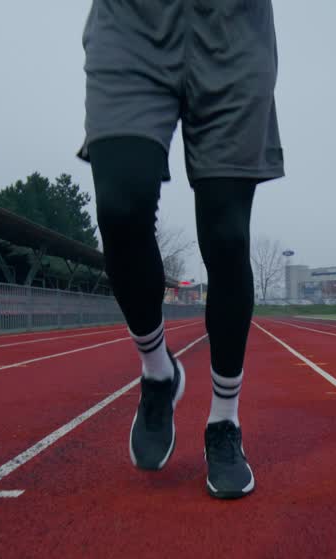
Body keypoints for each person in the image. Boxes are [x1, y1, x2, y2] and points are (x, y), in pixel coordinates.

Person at [78, 0, 283, 499]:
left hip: (234, 32)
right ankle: (158, 370)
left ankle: (224, 422)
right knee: (121, 206)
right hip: (132, 24)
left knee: (227, 236)